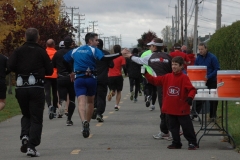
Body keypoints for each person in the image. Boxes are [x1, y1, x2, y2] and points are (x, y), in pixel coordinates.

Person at [63, 32, 123, 138]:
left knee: (81, 101)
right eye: (96, 40)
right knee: (90, 102)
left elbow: (65, 59)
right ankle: (88, 123)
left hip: (79, 78)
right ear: (90, 41)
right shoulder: (94, 50)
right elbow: (105, 58)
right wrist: (120, 54)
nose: (97, 42)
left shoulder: (75, 50)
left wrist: (71, 71)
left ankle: (83, 121)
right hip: (91, 78)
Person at [8, 28, 53, 157]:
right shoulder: (41, 52)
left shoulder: (18, 51)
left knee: (26, 114)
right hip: (37, 88)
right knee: (36, 117)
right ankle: (32, 146)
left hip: (21, 87)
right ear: (37, 37)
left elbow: (10, 66)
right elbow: (50, 70)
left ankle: (25, 136)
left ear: (25, 37)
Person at [122, 38, 172, 140]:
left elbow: (138, 60)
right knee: (170, 107)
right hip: (171, 84)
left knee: (164, 109)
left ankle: (167, 132)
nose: (149, 47)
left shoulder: (150, 56)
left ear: (154, 47)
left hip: (160, 85)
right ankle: (169, 130)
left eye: (150, 46)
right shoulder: (168, 56)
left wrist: (129, 55)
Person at [144, 56, 198, 150]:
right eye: (172, 64)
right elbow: (155, 81)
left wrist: (190, 97)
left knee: (187, 127)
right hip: (170, 108)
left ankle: (192, 142)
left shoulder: (184, 78)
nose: (173, 66)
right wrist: (146, 74)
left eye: (176, 64)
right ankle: (176, 142)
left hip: (181, 108)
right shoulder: (167, 77)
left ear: (181, 66)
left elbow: (192, 90)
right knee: (173, 127)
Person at [52, 36, 76, 126]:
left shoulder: (58, 53)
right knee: (72, 98)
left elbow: (53, 64)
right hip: (71, 77)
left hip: (61, 77)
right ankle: (69, 119)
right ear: (71, 43)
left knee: (62, 95)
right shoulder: (73, 52)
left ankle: (62, 102)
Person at [194, 43, 220, 120]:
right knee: (199, 97)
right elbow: (195, 69)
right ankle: (194, 114)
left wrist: (208, 77)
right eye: (199, 49)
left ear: (206, 49)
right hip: (201, 82)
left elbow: (217, 69)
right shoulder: (198, 58)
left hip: (212, 80)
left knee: (213, 99)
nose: (200, 51)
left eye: (202, 49)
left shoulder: (212, 57)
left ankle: (213, 115)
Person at [93, 39, 114, 122]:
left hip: (92, 77)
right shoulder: (106, 54)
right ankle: (99, 113)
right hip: (103, 78)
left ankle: (94, 108)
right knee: (101, 97)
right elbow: (111, 65)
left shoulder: (92, 53)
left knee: (93, 95)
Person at [107, 45, 126, 111]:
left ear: (114, 50)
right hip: (118, 76)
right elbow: (124, 66)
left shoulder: (110, 58)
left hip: (110, 76)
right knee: (119, 91)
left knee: (113, 90)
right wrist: (126, 73)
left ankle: (112, 92)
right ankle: (116, 105)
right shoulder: (121, 57)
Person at [44, 39, 58, 119]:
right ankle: (55, 109)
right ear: (54, 44)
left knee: (47, 91)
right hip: (54, 74)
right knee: (55, 92)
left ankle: (49, 105)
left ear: (46, 45)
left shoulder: (44, 53)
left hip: (46, 75)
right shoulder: (56, 53)